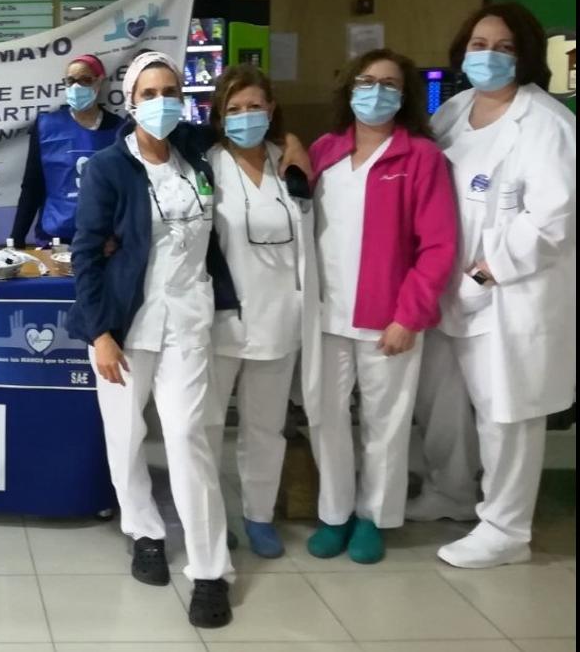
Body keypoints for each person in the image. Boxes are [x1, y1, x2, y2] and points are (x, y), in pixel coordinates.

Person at [67, 50, 235, 629]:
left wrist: (290, 145)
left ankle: (210, 571)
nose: (162, 103)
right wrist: (100, 333)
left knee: (188, 437)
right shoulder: (109, 167)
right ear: (131, 102)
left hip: (189, 319)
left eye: (171, 93)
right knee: (126, 435)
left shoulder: (196, 153)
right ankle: (144, 532)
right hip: (126, 324)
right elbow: (86, 254)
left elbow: (249, 134)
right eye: (149, 94)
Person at [411, 2, 576, 568]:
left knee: (506, 411)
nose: (489, 56)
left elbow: (553, 220)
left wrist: (485, 272)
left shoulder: (547, 124)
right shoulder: (454, 111)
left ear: (524, 55)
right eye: (479, 45)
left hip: (508, 293)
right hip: (447, 287)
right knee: (443, 401)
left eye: (504, 47)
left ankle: (506, 528)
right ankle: (450, 490)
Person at [306, 49, 458, 565]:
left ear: (405, 95)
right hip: (325, 314)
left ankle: (373, 516)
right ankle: (334, 513)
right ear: (349, 88)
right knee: (326, 417)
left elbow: (438, 246)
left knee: (385, 423)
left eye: (389, 84)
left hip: (387, 318)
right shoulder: (325, 151)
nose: (376, 92)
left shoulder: (421, 157)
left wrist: (409, 316)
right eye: (367, 81)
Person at [205, 64, 322, 559]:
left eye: (254, 106)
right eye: (234, 109)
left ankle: (258, 515)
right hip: (220, 319)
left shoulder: (289, 162)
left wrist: (294, 148)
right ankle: (209, 516)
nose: (245, 116)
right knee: (206, 425)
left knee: (265, 428)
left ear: (271, 109)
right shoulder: (207, 164)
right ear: (219, 116)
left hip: (279, 317)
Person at [10, 54, 121, 246]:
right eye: (71, 81)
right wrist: (16, 240)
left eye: (85, 80)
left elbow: (128, 191)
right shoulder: (47, 127)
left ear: (99, 81)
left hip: (106, 240)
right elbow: (32, 187)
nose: (77, 86)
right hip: (56, 237)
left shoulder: (119, 129)